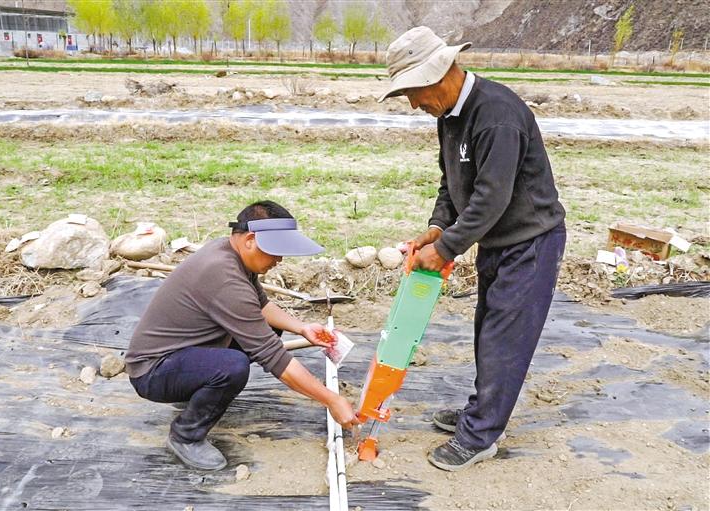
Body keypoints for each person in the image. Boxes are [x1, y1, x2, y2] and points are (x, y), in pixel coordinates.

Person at [378, 27, 566, 472]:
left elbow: (491, 197)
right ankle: (480, 412)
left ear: (439, 73)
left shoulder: (496, 115)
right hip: (497, 243)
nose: (414, 104)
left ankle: (480, 436)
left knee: (505, 339)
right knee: (487, 332)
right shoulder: (449, 116)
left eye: (413, 92)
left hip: (530, 242)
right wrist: (437, 228)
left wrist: (446, 249)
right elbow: (453, 183)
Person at [125, 200, 360, 470]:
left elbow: (260, 306)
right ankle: (185, 436)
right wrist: (332, 400)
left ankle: (194, 391)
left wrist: (301, 327)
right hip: (153, 371)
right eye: (275, 252)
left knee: (268, 329)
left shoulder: (230, 252)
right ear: (250, 240)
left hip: (179, 353)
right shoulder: (223, 276)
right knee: (232, 367)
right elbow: (275, 359)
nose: (279, 260)